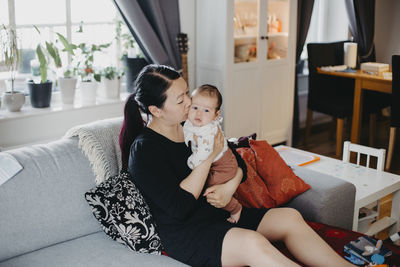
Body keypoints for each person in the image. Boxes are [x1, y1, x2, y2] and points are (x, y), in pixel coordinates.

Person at [119, 64, 355, 267]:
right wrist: (208, 157)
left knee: (290, 217)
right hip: (187, 232)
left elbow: (237, 163)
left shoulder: (194, 123)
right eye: (181, 100)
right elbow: (179, 206)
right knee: (253, 243)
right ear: (156, 110)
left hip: (219, 213)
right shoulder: (145, 150)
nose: (190, 103)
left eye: (187, 93)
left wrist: (229, 188)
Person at [183, 84, 242, 223]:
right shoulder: (191, 122)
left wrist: (191, 163)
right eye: (195, 107)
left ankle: (235, 208)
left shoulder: (208, 132)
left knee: (211, 188)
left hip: (224, 165)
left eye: (206, 110)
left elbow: (203, 155)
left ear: (216, 115)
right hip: (214, 163)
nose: (199, 113)